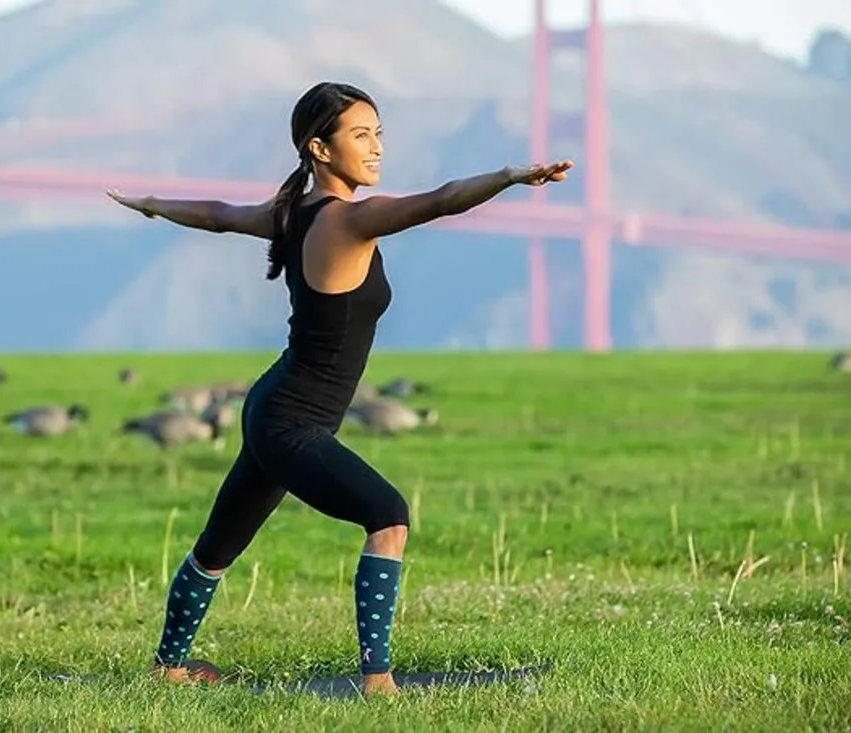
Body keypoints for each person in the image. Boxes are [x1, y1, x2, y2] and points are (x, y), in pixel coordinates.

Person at [107, 81, 572, 697]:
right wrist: (511, 174)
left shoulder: (289, 214)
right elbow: (440, 201)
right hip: (291, 421)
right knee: (388, 516)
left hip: (273, 407)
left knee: (217, 548)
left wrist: (153, 203)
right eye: (361, 136)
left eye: (380, 133)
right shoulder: (351, 219)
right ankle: (376, 680)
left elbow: (219, 215)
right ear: (320, 149)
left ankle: (168, 667)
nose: (376, 148)